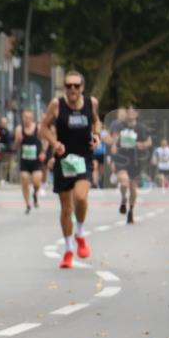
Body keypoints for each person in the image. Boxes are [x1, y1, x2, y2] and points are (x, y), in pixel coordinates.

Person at [40, 70, 100, 268]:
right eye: (68, 86)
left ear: (82, 87)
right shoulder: (57, 105)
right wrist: (54, 143)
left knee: (81, 197)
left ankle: (80, 234)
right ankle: (68, 250)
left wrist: (97, 135)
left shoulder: (91, 103)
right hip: (64, 161)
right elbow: (43, 127)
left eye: (76, 85)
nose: (72, 89)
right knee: (66, 208)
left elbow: (96, 121)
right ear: (64, 88)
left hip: (84, 158)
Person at [109, 104, 151, 223]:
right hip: (121, 158)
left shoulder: (141, 128)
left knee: (133, 189)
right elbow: (115, 138)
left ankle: (131, 211)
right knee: (124, 182)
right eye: (128, 111)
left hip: (135, 160)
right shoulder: (120, 125)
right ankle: (123, 199)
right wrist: (113, 146)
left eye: (133, 111)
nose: (130, 113)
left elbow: (149, 142)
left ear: (137, 114)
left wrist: (142, 145)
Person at [14, 109, 45, 214]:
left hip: (36, 160)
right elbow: (15, 146)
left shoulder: (38, 128)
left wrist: (43, 152)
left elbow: (44, 140)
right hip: (25, 160)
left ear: (32, 118)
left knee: (36, 182)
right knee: (24, 180)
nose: (27, 119)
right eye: (25, 117)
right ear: (22, 118)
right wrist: (18, 141)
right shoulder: (19, 129)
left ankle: (35, 194)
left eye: (29, 117)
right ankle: (28, 203)